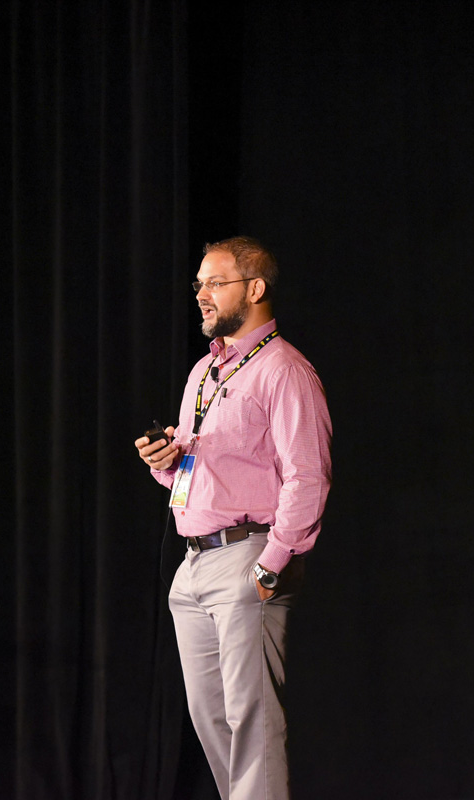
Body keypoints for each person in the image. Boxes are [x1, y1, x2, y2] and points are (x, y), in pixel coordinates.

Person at [134, 236, 331, 800]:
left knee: (253, 725)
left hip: (248, 557)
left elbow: (308, 475)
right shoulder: (204, 372)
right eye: (199, 283)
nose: (201, 294)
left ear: (255, 288)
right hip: (194, 563)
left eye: (215, 283)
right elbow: (200, 473)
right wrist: (165, 463)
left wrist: (271, 565)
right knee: (212, 723)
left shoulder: (284, 370)